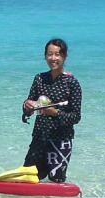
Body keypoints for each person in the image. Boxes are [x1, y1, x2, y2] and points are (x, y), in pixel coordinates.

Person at [21, 38, 82, 182]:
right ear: (45, 56)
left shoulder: (71, 83)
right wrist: (26, 106)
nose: (53, 58)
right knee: (27, 178)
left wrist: (55, 113)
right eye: (50, 54)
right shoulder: (39, 79)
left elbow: (76, 117)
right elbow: (30, 106)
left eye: (57, 54)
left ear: (64, 56)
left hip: (61, 140)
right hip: (39, 137)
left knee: (56, 181)